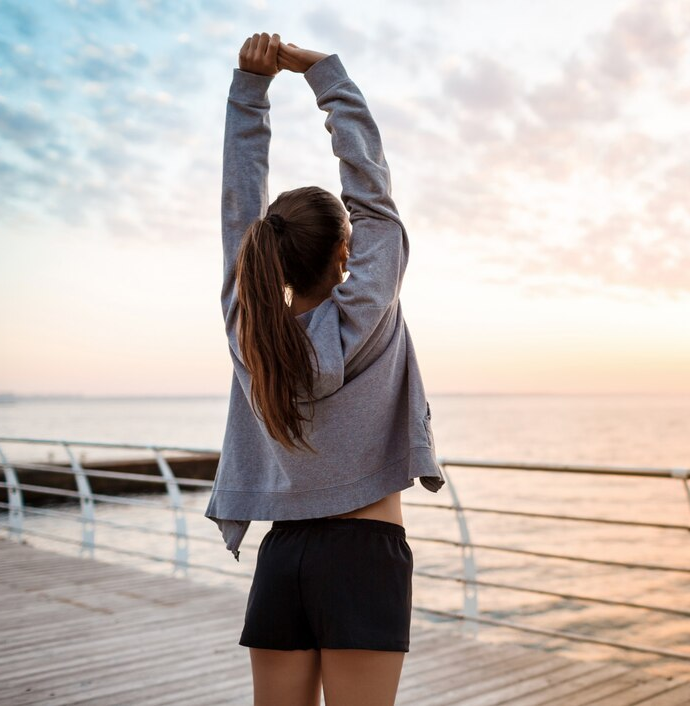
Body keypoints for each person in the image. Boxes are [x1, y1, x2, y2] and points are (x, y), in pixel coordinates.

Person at [208, 32, 446, 706]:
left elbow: (237, 210)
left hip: (284, 555)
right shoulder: (368, 307)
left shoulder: (249, 333)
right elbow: (374, 195)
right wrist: (325, 76)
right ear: (347, 252)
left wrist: (249, 92)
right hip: (366, 555)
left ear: (266, 258)